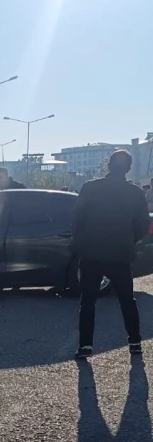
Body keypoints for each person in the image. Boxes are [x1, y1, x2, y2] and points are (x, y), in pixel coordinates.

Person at [72, 149, 149, 359]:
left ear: (108, 165)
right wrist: (129, 240)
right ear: (129, 169)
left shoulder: (90, 188)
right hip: (121, 253)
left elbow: (77, 219)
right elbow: (143, 224)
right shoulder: (135, 193)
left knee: (88, 301)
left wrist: (81, 244)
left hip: (92, 253)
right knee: (127, 300)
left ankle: (85, 346)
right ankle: (135, 342)